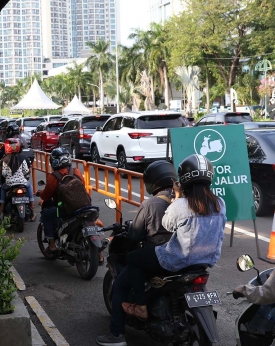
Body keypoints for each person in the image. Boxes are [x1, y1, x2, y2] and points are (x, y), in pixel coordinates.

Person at [98, 154, 226, 346]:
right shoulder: (219, 203)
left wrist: (177, 196)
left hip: (176, 260)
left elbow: (168, 223)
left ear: (183, 181)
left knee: (133, 258)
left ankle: (130, 319)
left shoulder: (180, 204)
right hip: (205, 261)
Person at [97, 161, 177, 346]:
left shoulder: (151, 204)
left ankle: (116, 335)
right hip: (184, 258)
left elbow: (134, 235)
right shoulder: (184, 201)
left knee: (121, 284)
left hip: (158, 258)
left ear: (152, 182)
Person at [35, 147, 86, 254]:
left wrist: (40, 193)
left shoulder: (54, 177)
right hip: (84, 206)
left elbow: (47, 196)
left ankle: (52, 245)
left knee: (46, 215)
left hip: (65, 210)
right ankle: (99, 255)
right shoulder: (76, 171)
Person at [0, 138, 36, 220]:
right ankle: (32, 204)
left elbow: (4, 173)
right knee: (29, 187)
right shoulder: (23, 158)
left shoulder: (5, 159)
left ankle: (2, 206)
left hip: (9, 183)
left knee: (3, 189)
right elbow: (26, 171)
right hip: (22, 182)